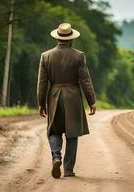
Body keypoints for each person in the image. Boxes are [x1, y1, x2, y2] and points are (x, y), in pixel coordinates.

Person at [37, 23, 96, 179]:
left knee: (54, 130)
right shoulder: (79, 56)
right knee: (72, 133)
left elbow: (42, 83)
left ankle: (56, 157)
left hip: (54, 96)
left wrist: (41, 103)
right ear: (71, 39)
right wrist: (92, 101)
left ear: (57, 38)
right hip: (73, 98)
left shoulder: (46, 56)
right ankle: (68, 170)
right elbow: (85, 80)